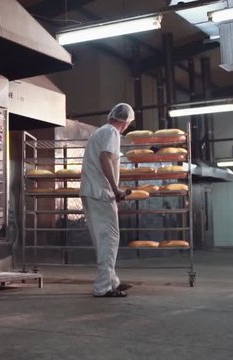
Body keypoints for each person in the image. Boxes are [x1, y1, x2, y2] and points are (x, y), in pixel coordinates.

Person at [80, 103, 135, 298]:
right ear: (124, 121)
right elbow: (105, 158)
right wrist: (116, 189)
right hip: (101, 193)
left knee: (103, 238)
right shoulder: (112, 133)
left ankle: (112, 281)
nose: (128, 125)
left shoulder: (100, 132)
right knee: (109, 240)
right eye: (128, 122)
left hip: (92, 191)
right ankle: (103, 287)